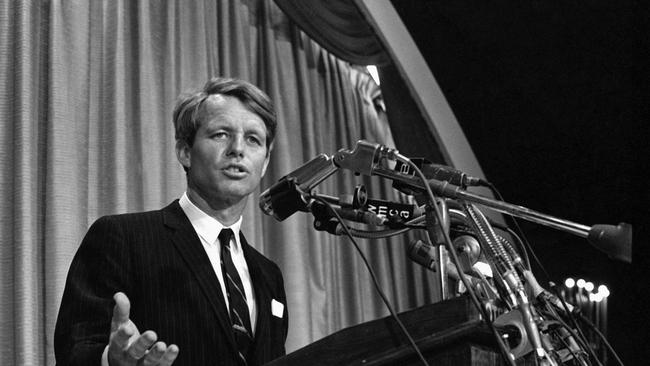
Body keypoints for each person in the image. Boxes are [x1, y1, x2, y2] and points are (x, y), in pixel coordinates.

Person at [54, 77, 288, 366]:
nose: (238, 149)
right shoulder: (122, 237)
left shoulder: (269, 275)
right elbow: (74, 349)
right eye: (221, 134)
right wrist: (111, 361)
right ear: (185, 152)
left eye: (253, 139)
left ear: (264, 162)